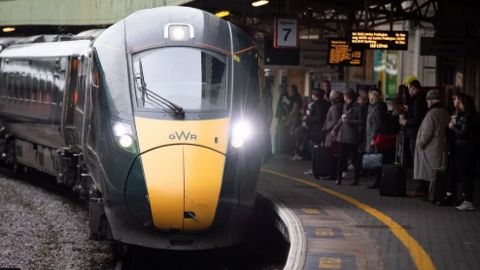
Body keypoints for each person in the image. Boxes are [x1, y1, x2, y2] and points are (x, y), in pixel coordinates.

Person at [412, 89, 450, 199]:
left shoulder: (432, 114)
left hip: (429, 149)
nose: (427, 103)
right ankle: (432, 193)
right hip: (439, 147)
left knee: (427, 172)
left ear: (432, 102)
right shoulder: (444, 112)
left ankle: (427, 192)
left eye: (428, 101)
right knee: (436, 172)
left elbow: (426, 133)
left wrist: (419, 144)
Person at [448, 93, 478, 210]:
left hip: (464, 150)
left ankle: (468, 201)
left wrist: (453, 126)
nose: (459, 104)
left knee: (466, 176)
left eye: (460, 102)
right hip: (465, 149)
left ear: (465, 104)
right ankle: (466, 198)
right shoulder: (468, 116)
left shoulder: (467, 118)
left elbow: (463, 133)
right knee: (465, 175)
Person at [399, 79, 428, 197]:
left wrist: (406, 122)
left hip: (414, 134)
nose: (409, 92)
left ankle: (421, 187)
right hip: (413, 133)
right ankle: (420, 186)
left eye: (409, 89)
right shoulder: (417, 100)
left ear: (413, 89)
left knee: (417, 162)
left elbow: (417, 118)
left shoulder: (418, 101)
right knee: (416, 161)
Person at [331, 88, 366, 186]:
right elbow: (340, 120)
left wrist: (349, 121)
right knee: (341, 158)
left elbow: (362, 121)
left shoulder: (358, 108)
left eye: (344, 96)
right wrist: (334, 129)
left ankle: (356, 179)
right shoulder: (345, 106)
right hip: (343, 137)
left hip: (351, 137)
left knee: (354, 159)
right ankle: (338, 178)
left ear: (346, 96)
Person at [363, 90, 387, 189]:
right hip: (371, 136)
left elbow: (377, 125)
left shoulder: (376, 108)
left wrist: (373, 137)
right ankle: (377, 180)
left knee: (377, 159)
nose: (368, 99)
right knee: (376, 159)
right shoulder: (372, 108)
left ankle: (378, 180)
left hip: (374, 137)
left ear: (372, 98)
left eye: (369, 97)